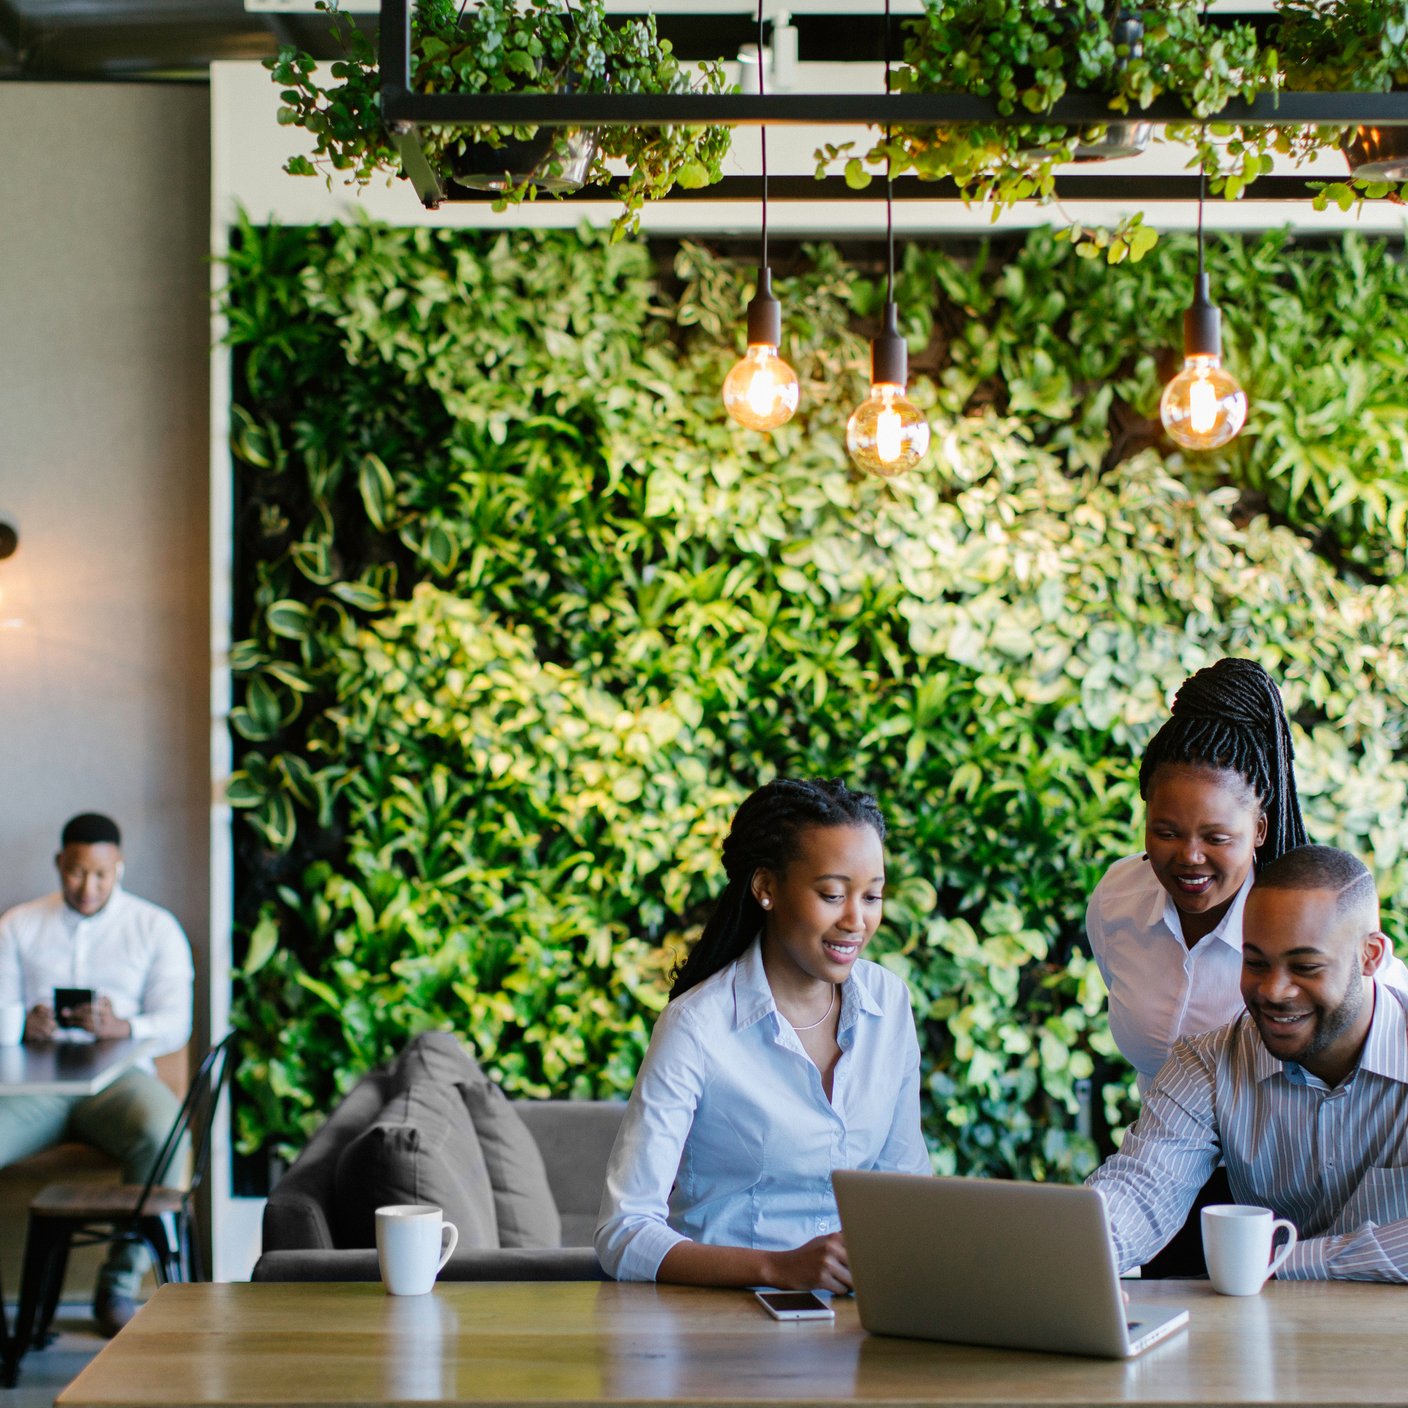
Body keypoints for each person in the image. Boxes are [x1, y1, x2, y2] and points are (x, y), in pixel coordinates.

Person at [595, 777, 930, 1289]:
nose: (856, 920)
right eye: (833, 894)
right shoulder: (697, 1026)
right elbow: (624, 1233)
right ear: (766, 888)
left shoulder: (890, 1004)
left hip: (855, 1322)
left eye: (872, 896)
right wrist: (780, 1268)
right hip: (725, 1324)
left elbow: (906, 1193)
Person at [1088, 845, 1408, 1282]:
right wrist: (1078, 1260)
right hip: (1260, 1338)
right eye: (1255, 962)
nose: (1274, 991)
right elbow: (1141, 1189)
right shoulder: (1205, 1062)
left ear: (1371, 956)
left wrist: (1282, 1262)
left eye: (1306, 966)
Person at [0, 813, 194, 1336]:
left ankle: (119, 1283)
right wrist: (23, 1022)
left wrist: (121, 1025)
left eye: (101, 875)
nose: (88, 887)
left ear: (119, 869)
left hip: (120, 1081)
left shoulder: (154, 928)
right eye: (77, 873)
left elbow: (178, 1022)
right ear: (59, 864)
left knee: (165, 1135)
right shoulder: (18, 924)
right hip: (36, 1086)